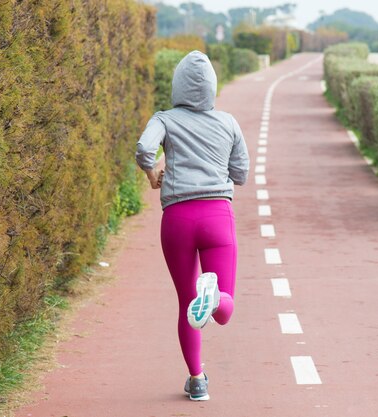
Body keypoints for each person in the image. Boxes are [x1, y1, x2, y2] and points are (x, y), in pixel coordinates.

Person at [135, 51, 249, 401]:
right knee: (224, 305)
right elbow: (241, 174)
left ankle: (197, 381)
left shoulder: (165, 119)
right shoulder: (228, 122)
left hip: (178, 220)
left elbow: (143, 148)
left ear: (178, 86)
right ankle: (214, 299)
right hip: (217, 216)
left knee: (187, 301)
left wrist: (154, 174)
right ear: (212, 88)